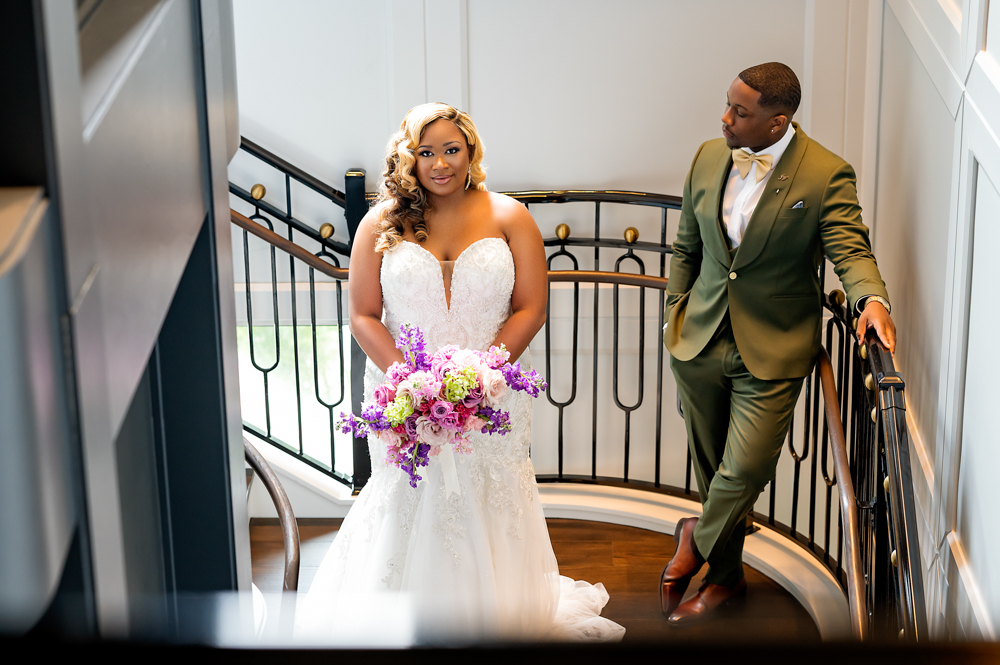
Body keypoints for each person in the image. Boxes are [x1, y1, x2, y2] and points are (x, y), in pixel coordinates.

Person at [303, 103, 624, 642]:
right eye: (425, 153)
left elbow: (530, 308)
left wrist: (482, 372)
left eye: (451, 149)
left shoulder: (509, 216)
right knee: (409, 495)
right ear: (409, 159)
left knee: (488, 492)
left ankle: (491, 619)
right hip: (403, 391)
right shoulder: (380, 223)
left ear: (471, 150)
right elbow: (362, 313)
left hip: (493, 392)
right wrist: (411, 380)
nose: (440, 164)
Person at [659, 63, 896, 626]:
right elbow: (686, 248)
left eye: (740, 112)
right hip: (700, 341)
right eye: (727, 104)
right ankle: (725, 583)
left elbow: (850, 248)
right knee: (711, 466)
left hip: (774, 349)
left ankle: (696, 535)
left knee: (742, 471)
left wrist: (871, 300)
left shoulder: (825, 174)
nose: (725, 119)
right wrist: (675, 313)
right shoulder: (707, 157)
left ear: (777, 122)